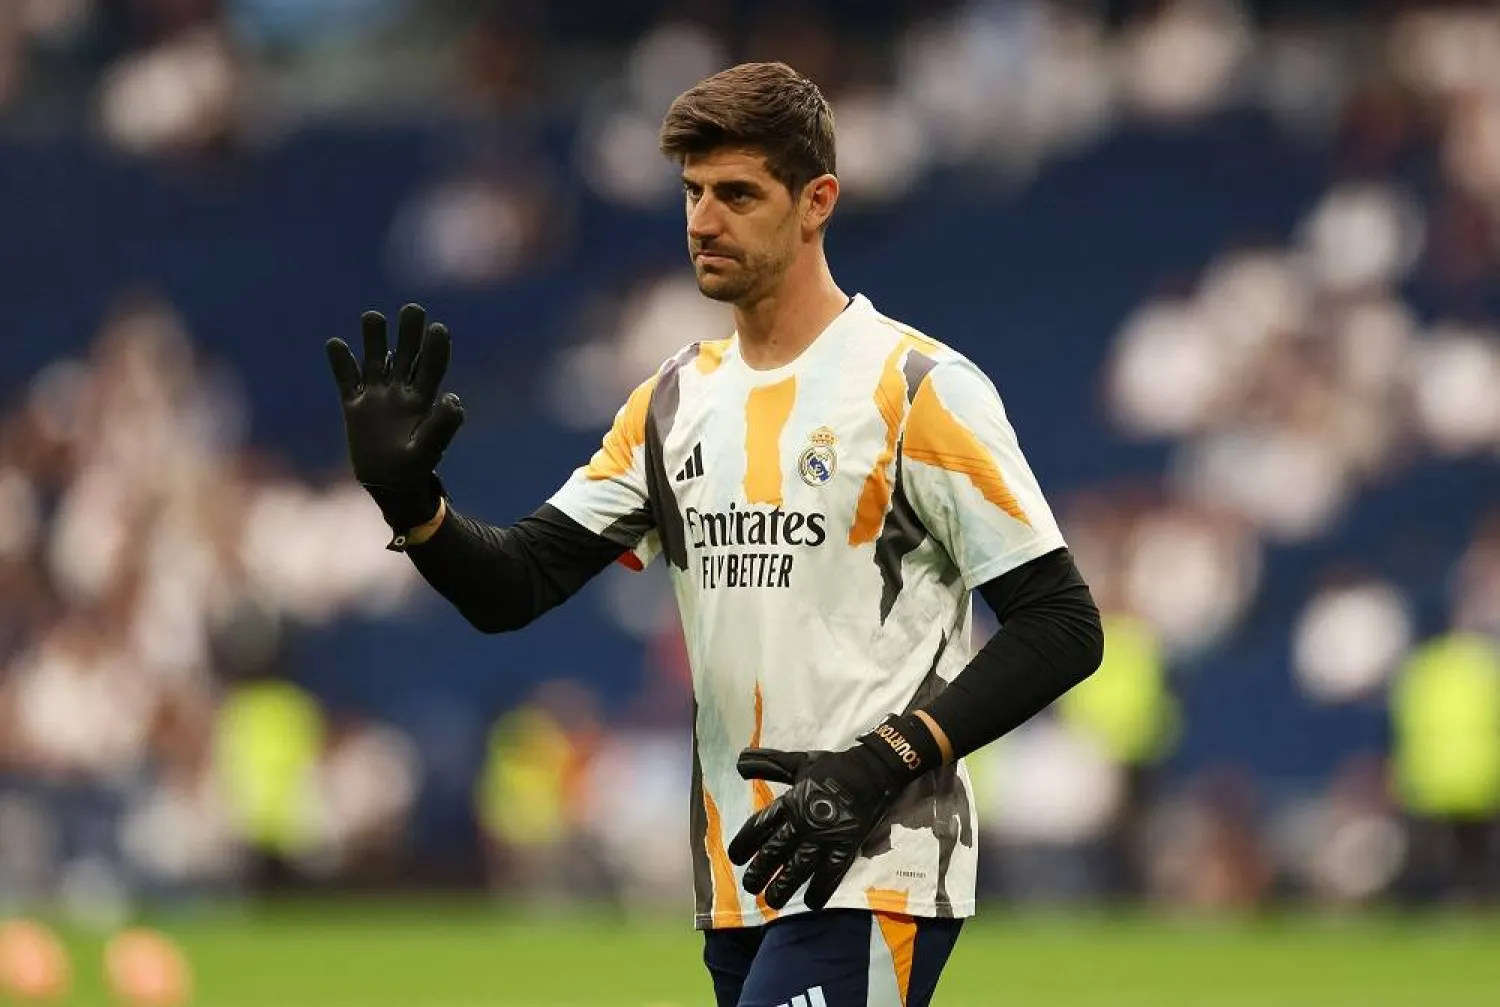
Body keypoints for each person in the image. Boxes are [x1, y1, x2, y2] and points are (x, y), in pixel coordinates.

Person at [326, 62, 1104, 1007]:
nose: (702, 220)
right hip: (739, 873)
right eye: (692, 193)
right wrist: (413, 505)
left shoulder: (919, 389)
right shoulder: (671, 403)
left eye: (737, 193)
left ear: (817, 201)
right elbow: (515, 584)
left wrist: (882, 762)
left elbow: (1062, 621)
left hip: (874, 860)